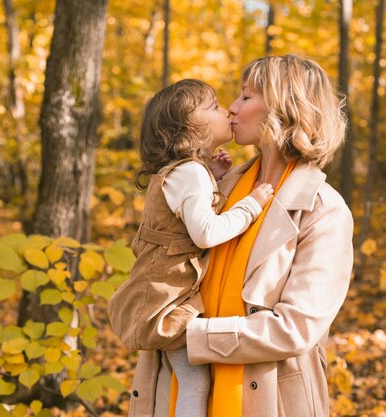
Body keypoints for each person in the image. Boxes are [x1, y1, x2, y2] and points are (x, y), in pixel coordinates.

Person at [127, 54, 354, 417]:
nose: (232, 108)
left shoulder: (324, 210)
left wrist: (191, 336)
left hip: (266, 400)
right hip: (176, 391)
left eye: (246, 97)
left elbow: (294, 329)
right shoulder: (215, 185)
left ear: (285, 108)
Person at [107, 79, 275, 417]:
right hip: (168, 298)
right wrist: (251, 206)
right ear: (188, 129)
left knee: (189, 377)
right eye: (212, 107)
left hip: (161, 289)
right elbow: (206, 233)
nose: (226, 109)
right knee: (195, 382)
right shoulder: (190, 175)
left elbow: (183, 215)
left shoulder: (184, 172)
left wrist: (212, 177)